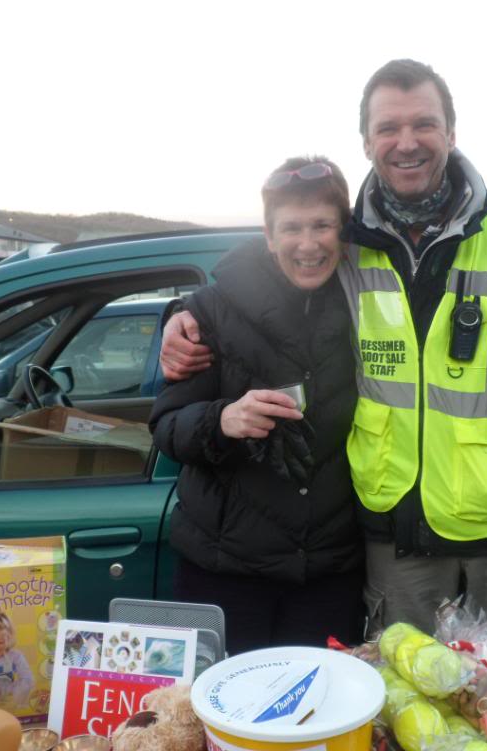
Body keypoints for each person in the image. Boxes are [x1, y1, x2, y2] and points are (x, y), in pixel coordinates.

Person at [160, 60, 487, 653]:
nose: (406, 142)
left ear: (451, 132)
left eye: (424, 123)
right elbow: (264, 268)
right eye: (388, 128)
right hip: (394, 536)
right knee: (403, 710)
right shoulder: (349, 243)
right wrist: (181, 314)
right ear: (367, 143)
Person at [149, 156, 364, 655]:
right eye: (291, 228)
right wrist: (223, 419)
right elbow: (165, 426)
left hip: (331, 571)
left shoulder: (370, 303)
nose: (307, 244)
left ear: (343, 232)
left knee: (316, 718)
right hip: (226, 570)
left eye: (321, 226)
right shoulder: (210, 311)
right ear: (268, 236)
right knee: (228, 724)